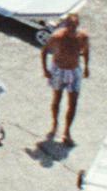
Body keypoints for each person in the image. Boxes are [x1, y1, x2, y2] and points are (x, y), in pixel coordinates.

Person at [39, 8, 93, 152]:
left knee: (73, 102)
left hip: (74, 71)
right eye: (69, 25)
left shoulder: (83, 37)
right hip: (58, 70)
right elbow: (44, 51)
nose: (71, 29)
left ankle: (67, 131)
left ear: (78, 25)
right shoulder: (57, 37)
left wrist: (87, 67)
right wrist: (45, 70)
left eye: (74, 26)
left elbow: (86, 51)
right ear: (65, 25)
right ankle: (55, 124)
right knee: (57, 99)